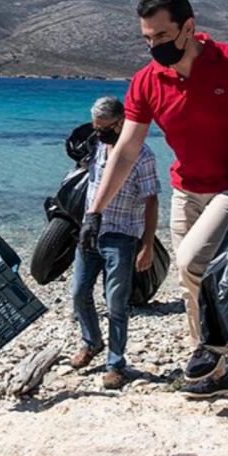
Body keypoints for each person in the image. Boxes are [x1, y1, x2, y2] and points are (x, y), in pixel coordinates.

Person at [79, 0, 228, 399]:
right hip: (185, 189)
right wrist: (94, 213)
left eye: (161, 36)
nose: (154, 45)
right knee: (190, 282)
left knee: (193, 261)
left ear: (188, 27)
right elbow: (126, 151)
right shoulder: (147, 81)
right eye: (147, 39)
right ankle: (213, 370)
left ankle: (213, 346)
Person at [70, 97, 160, 389]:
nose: (99, 133)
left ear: (122, 122)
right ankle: (91, 341)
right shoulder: (96, 146)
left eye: (104, 128)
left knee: (116, 303)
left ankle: (115, 363)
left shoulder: (142, 156)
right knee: (78, 292)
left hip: (121, 235)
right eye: (96, 128)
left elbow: (151, 200)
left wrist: (147, 244)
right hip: (91, 230)